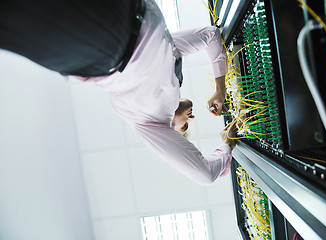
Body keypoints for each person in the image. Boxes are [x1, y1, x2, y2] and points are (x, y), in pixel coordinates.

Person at [0, 0, 237, 185]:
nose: (191, 118)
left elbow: (205, 175)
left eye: (184, 127)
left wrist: (225, 147)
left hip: (105, 48)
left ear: (172, 132)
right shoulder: (172, 58)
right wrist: (220, 89)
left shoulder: (150, 124)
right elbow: (210, 35)